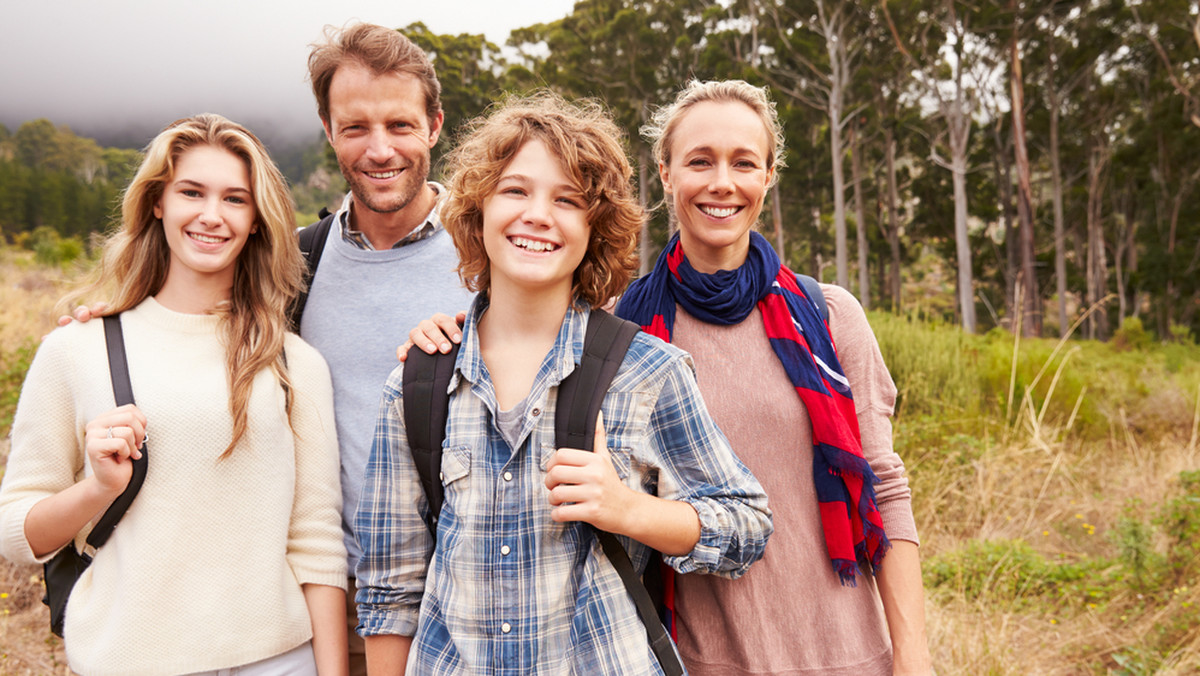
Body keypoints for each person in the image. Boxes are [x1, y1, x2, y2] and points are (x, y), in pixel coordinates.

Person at [405, 80, 933, 676]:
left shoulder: (829, 317)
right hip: (696, 655)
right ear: (665, 172)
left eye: (744, 163)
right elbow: (524, 327)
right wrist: (453, 339)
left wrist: (913, 657)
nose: (721, 183)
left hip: (846, 651)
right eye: (700, 161)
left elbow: (884, 489)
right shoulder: (622, 333)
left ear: (768, 177)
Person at [354, 91, 773, 675]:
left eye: (568, 199)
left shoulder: (647, 370)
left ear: (594, 226)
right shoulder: (418, 382)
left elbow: (747, 524)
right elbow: (390, 591)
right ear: (478, 208)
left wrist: (627, 510)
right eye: (516, 190)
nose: (538, 215)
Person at [0, 114, 348, 675]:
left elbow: (316, 545)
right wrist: (97, 488)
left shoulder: (293, 363)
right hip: (132, 661)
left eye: (235, 199)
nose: (212, 215)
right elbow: (17, 534)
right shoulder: (76, 350)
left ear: (257, 219)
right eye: (192, 192)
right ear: (158, 202)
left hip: (277, 661)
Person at [303, 26, 475, 673]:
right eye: (355, 128)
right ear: (328, 129)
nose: (380, 150)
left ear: (433, 125)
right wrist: (101, 319)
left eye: (400, 125)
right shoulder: (293, 262)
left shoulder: (496, 248)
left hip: (474, 599)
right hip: (333, 603)